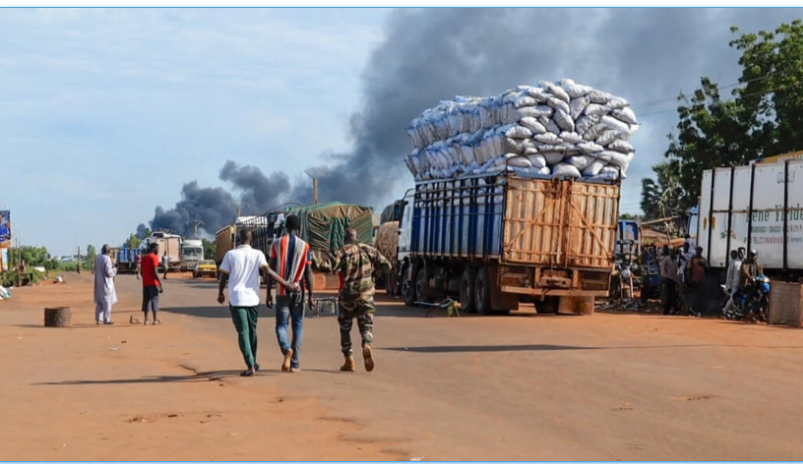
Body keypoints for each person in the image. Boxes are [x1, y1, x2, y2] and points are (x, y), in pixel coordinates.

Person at [219, 228, 298, 377]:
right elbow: (268, 272)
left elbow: (223, 276)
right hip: (253, 300)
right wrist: (286, 284)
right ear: (252, 240)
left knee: (243, 333)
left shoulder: (230, 255)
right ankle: (253, 362)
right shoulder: (258, 254)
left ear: (238, 240)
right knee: (252, 332)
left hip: (237, 300)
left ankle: (250, 365)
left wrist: (220, 293)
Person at [327, 228, 391, 373]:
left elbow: (328, 266)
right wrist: (373, 274)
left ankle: (349, 360)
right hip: (366, 294)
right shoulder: (369, 250)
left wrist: (314, 261)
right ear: (358, 237)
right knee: (366, 325)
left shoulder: (343, 251)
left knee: (345, 327)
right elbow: (387, 266)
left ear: (345, 238)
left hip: (348, 296)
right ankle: (367, 344)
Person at [267, 215, 314, 373]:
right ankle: (295, 363)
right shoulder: (305, 246)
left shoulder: (276, 244)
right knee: (298, 327)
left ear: (285, 227)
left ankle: (287, 349)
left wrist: (268, 292)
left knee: (281, 326)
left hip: (282, 291)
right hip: (299, 292)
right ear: (298, 228)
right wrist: (311, 295)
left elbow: (270, 270)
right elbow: (308, 272)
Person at [93, 245, 118, 325]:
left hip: (98, 282)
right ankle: (107, 319)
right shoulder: (107, 259)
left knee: (100, 301)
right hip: (106, 283)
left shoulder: (97, 258)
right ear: (108, 251)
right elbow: (108, 272)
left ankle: (98, 319)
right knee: (107, 302)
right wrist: (114, 269)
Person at [141, 243, 164, 325]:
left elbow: (141, 271)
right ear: (154, 249)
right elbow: (155, 271)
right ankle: (155, 319)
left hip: (145, 283)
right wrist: (160, 283)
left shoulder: (144, 258)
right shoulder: (154, 257)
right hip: (153, 283)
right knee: (155, 300)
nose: (158, 250)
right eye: (158, 249)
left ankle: (146, 320)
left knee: (146, 300)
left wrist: (145, 279)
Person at [658, 245, 678, 315]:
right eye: (672, 252)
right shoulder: (667, 259)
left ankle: (671, 310)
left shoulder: (675, 260)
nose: (673, 253)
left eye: (674, 252)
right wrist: (664, 276)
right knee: (667, 294)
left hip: (673, 279)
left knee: (672, 295)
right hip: (667, 279)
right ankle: (667, 310)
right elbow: (663, 268)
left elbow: (676, 270)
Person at [723, 249, 743, 316]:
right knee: (732, 299)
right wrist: (728, 286)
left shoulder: (744, 262)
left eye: (742, 253)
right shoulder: (733, 263)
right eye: (740, 253)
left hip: (742, 284)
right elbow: (729, 275)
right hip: (734, 284)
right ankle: (725, 312)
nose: (741, 255)